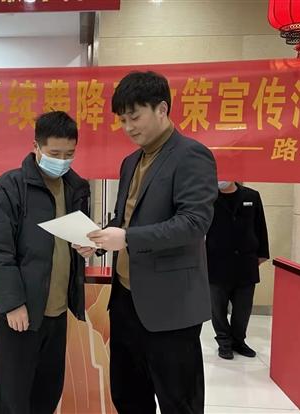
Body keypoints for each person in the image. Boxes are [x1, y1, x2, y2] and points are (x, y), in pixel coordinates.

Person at [77, 71, 218, 414]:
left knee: (178, 401)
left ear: (162, 109)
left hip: (171, 306)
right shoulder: (131, 162)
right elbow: (124, 220)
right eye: (122, 120)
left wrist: (126, 237)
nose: (128, 127)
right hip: (126, 300)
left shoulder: (191, 155)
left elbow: (193, 223)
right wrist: (99, 239)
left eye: (135, 117)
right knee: (128, 396)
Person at [0, 111, 90, 414]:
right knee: (12, 400)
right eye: (54, 153)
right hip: (19, 316)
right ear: (36, 147)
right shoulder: (9, 188)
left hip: (57, 313)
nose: (62, 161)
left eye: (69, 154)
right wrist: (11, 303)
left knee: (47, 395)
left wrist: (91, 245)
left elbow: (77, 235)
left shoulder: (75, 188)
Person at [205, 181, 269, 360]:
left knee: (243, 309)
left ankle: (239, 341)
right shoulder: (207, 197)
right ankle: (224, 342)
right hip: (216, 263)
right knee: (217, 308)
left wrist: (263, 253)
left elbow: (260, 226)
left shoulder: (251, 196)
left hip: (245, 263)